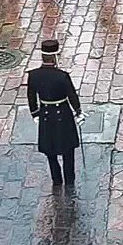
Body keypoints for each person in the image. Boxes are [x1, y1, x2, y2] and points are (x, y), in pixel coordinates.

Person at [26, 40, 83, 186]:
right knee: (67, 150)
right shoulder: (62, 76)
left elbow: (31, 97)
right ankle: (69, 180)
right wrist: (78, 111)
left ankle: (56, 180)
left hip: (45, 114)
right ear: (55, 57)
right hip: (63, 114)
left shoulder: (33, 75)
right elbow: (71, 95)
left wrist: (35, 113)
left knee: (50, 151)